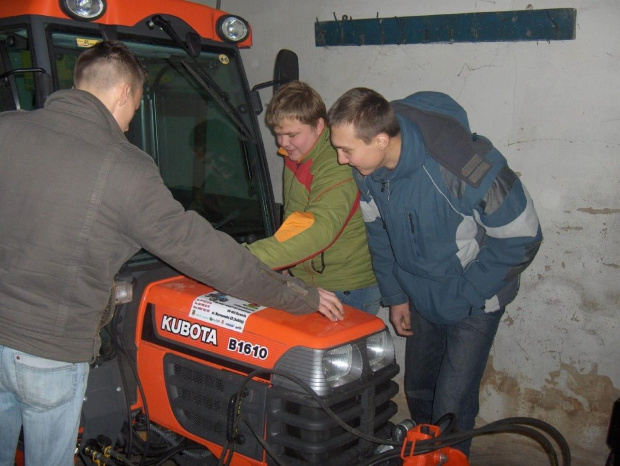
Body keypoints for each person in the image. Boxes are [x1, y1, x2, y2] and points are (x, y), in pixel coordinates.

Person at [0, 41, 343, 466]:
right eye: (137, 103)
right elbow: (205, 253)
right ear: (124, 93)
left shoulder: (7, 129)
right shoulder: (125, 168)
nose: (128, 124)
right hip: (48, 351)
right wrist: (297, 294)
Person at [327, 87, 542, 456]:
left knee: (452, 404)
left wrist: (466, 295)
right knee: (419, 390)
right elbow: (380, 236)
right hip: (420, 294)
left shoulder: (464, 166)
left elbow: (523, 238)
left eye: (347, 150)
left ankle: (448, 457)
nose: (341, 159)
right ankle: (424, 457)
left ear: (381, 140)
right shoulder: (369, 172)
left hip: (474, 299)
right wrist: (395, 297)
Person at [247, 81, 380, 314]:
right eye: (278, 134)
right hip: (311, 281)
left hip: (345, 289)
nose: (283, 143)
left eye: (291, 135)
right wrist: (289, 262)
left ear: (319, 125)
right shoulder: (296, 152)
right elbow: (296, 213)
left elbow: (319, 227)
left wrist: (244, 258)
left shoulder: (335, 163)